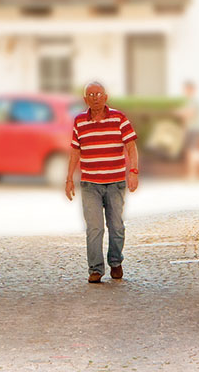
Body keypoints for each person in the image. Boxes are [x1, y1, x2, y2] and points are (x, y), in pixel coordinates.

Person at [64, 81, 139, 282]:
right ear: (85, 99)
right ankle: (95, 270)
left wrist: (133, 171)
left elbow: (131, 147)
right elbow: (75, 151)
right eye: (91, 94)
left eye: (98, 94)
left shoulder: (119, 118)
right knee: (94, 227)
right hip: (90, 184)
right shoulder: (79, 121)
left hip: (115, 183)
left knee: (116, 226)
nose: (95, 97)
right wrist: (69, 178)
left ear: (105, 97)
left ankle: (115, 262)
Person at [180, 80, 199, 179]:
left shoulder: (194, 101)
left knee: (192, 152)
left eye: (187, 89)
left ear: (191, 89)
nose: (185, 91)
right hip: (195, 128)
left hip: (195, 128)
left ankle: (197, 173)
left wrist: (180, 113)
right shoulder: (194, 100)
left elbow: (190, 113)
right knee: (192, 152)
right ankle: (196, 173)